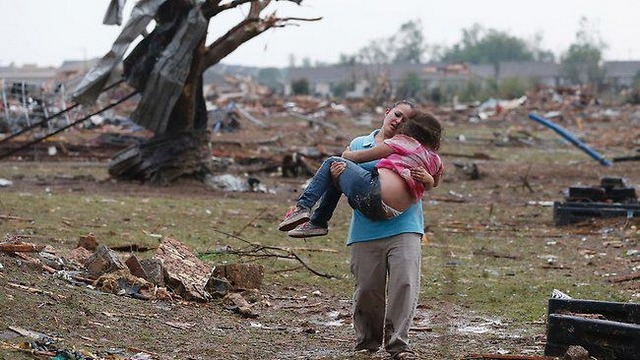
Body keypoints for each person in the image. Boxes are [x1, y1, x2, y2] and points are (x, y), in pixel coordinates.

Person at [289, 100, 439, 359]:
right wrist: (338, 173)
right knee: (368, 289)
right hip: (366, 229)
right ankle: (368, 343)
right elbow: (346, 178)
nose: (398, 121)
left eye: (405, 119)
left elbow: (434, 175)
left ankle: (398, 345)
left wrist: (430, 180)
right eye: (396, 114)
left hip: (405, 227)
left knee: (404, 285)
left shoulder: (417, 148)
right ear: (387, 112)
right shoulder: (361, 144)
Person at [277, 110, 443, 237]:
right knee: (338, 174)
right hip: (391, 212)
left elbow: (360, 157)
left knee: (332, 163)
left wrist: (347, 154)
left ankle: (303, 208)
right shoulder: (435, 159)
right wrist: (428, 179)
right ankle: (318, 221)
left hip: (375, 195)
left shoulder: (403, 142)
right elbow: (434, 183)